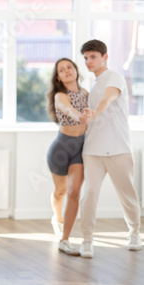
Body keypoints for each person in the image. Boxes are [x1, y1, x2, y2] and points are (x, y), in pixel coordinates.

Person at [78, 39, 141, 258]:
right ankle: (87, 240)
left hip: (118, 148)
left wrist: (97, 112)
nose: (89, 61)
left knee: (127, 195)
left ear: (105, 57)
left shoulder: (114, 78)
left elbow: (109, 97)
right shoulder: (92, 85)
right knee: (90, 195)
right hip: (93, 150)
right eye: (86, 58)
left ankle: (134, 233)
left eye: (93, 57)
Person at [46, 58, 89, 255]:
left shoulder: (87, 94)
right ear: (58, 77)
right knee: (60, 191)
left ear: (76, 70)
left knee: (74, 192)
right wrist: (77, 114)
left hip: (80, 149)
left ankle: (65, 240)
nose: (66, 71)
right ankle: (58, 218)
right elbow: (65, 107)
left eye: (69, 67)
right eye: (61, 70)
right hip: (61, 148)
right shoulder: (60, 95)